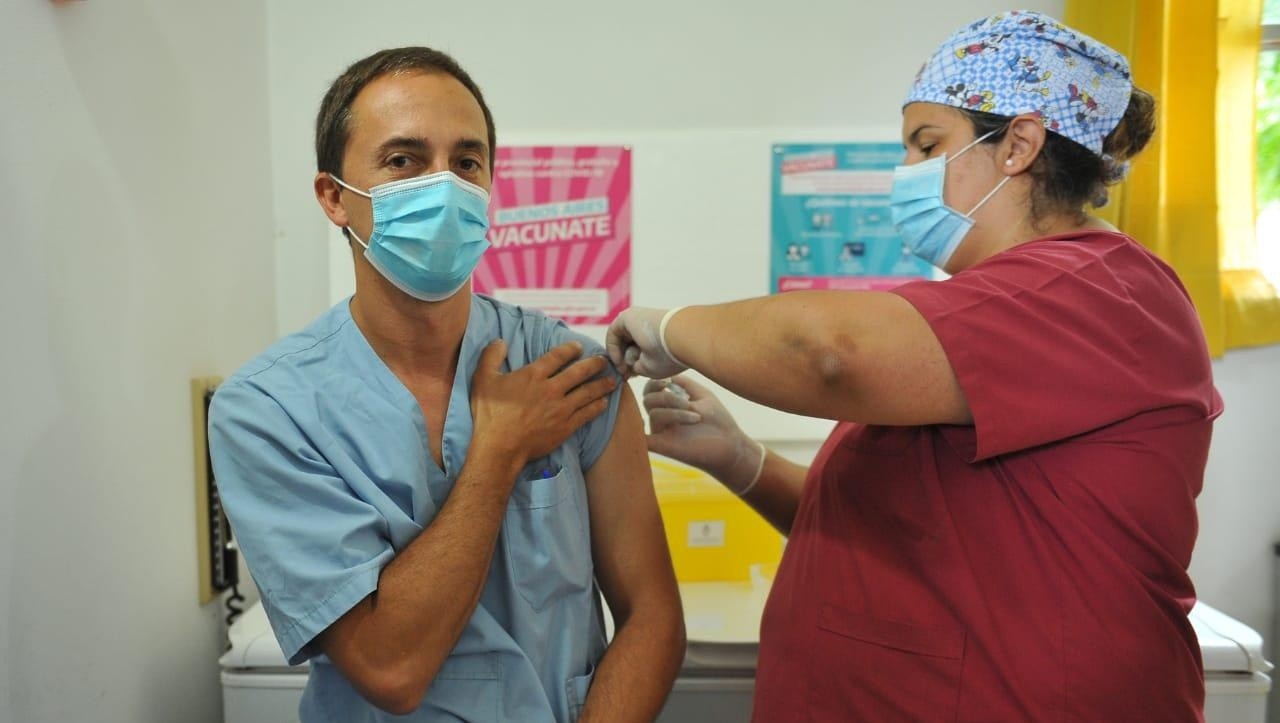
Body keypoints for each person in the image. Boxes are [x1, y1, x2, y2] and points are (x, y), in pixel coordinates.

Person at [608, 11, 1220, 722]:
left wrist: (671, 327)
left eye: (927, 145)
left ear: (1018, 145)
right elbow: (887, 527)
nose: (905, 173)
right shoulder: (984, 314)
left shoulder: (1097, 292)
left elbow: (830, 354)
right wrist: (741, 460)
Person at [208, 47, 683, 723]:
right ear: (334, 197)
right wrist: (497, 453)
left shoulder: (570, 371)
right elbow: (390, 668)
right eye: (404, 160)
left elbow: (653, 616)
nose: (445, 186)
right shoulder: (267, 410)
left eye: (466, 162)